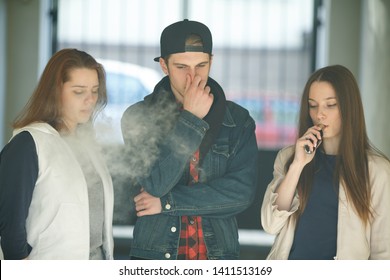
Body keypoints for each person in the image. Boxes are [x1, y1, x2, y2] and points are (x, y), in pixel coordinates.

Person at [121, 19, 258, 260]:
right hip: (154, 258)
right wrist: (191, 119)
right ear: (164, 65)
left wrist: (166, 203)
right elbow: (155, 183)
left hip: (218, 258)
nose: (193, 76)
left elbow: (241, 193)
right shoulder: (138, 117)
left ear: (211, 61)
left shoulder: (238, 120)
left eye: (201, 65)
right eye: (182, 66)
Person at [261, 64, 390, 260]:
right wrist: (297, 165)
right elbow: (270, 225)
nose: (319, 114)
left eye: (331, 105)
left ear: (349, 107)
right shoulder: (289, 158)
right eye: (313, 105)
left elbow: (383, 252)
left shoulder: (377, 171)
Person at [0, 48, 114, 260]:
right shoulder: (28, 144)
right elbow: (10, 224)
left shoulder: (88, 144)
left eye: (95, 90)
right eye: (79, 91)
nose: (90, 100)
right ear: (55, 91)